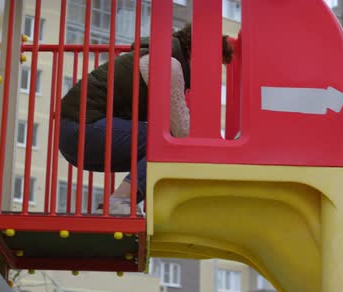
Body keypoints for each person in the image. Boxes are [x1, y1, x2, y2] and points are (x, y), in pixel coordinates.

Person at [59, 24, 234, 215]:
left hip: (80, 132)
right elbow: (183, 132)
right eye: (214, 63)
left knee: (165, 144)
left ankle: (124, 201)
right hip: (81, 128)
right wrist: (215, 150)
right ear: (196, 50)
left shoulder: (164, 58)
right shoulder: (168, 65)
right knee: (166, 142)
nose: (213, 72)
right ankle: (120, 201)